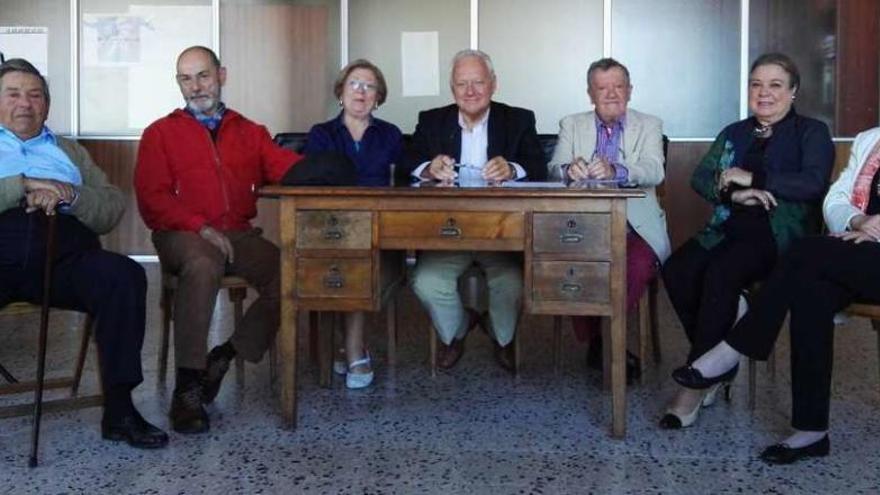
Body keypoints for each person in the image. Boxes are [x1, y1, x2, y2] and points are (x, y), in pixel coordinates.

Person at [672, 125, 880, 464]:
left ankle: (734, 347)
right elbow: (835, 198)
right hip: (858, 251)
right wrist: (859, 221)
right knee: (811, 287)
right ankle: (811, 431)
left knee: (805, 252)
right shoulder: (870, 138)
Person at [659, 53, 834, 429]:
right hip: (727, 225)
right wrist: (733, 195)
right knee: (677, 269)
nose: (764, 93)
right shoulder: (735, 132)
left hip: (778, 234)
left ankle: (694, 385)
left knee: (720, 274)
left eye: (775, 85)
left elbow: (812, 183)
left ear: (793, 92)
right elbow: (702, 178)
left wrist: (753, 180)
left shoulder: (811, 132)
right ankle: (718, 360)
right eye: (756, 84)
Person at [0, 58, 168, 448]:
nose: (25, 103)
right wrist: (24, 185)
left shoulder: (69, 151)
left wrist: (69, 194)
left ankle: (120, 410)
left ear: (47, 104)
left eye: (35, 95)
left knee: (124, 276)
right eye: (13, 94)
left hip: (64, 256)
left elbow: (110, 207)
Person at [134, 46, 302, 433]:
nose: (195, 87)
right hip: (181, 234)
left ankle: (224, 355)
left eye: (203, 76)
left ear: (221, 75)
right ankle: (188, 388)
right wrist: (200, 226)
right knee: (204, 262)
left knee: (292, 272)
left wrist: (334, 165)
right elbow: (152, 199)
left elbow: (288, 169)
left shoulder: (249, 131)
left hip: (237, 234)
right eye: (185, 78)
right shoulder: (160, 133)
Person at [398, 49, 546, 371]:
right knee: (425, 282)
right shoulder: (432, 120)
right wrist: (427, 168)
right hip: (447, 234)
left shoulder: (518, 119)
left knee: (512, 284)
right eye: (461, 84)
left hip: (502, 234)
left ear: (493, 84)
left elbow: (539, 165)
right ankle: (459, 329)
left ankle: (500, 336)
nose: (470, 91)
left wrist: (513, 169)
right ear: (452, 89)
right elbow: (406, 161)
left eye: (478, 82)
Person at [548, 57, 671, 379]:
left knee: (634, 266)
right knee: (570, 264)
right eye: (603, 88)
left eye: (618, 86)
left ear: (630, 91)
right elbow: (554, 166)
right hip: (584, 226)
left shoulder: (650, 124)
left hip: (636, 226)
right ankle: (602, 340)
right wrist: (567, 170)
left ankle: (603, 340)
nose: (612, 94)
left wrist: (618, 169)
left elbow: (655, 170)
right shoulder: (571, 124)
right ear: (591, 94)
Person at [304, 59, 401, 388]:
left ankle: (350, 345)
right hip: (332, 230)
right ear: (341, 94)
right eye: (354, 84)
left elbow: (405, 184)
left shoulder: (391, 135)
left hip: (382, 231)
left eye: (369, 86)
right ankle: (356, 348)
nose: (361, 91)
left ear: (378, 97)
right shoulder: (321, 134)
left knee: (366, 264)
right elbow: (318, 183)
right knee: (350, 261)